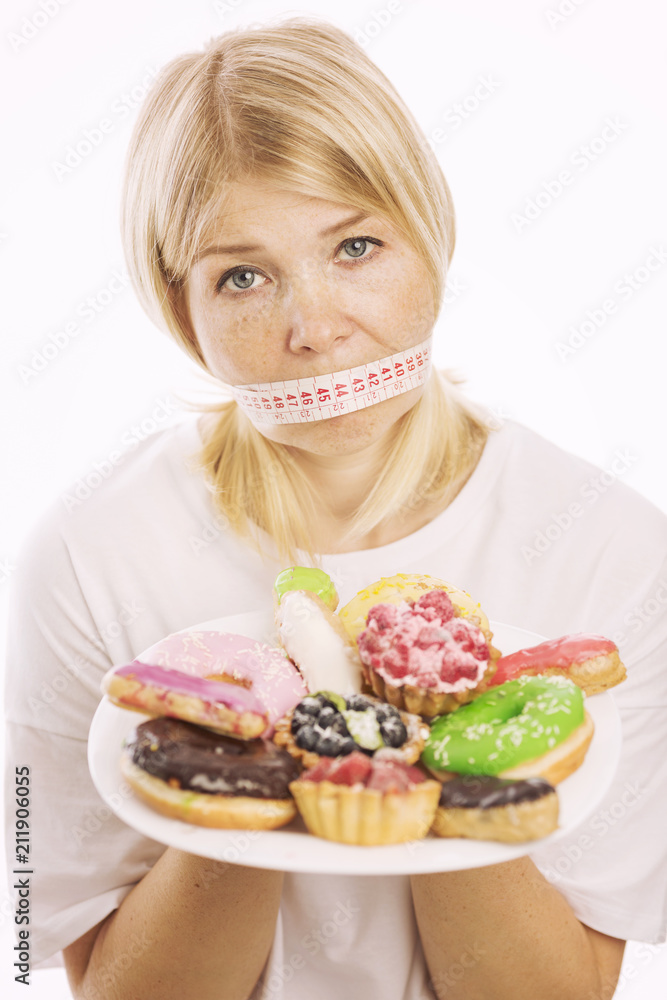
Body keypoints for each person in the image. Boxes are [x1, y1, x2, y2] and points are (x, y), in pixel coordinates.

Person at [4, 16, 667, 1000]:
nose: (314, 329)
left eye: (355, 245)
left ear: (431, 235)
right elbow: (86, 978)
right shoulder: (87, 556)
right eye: (242, 275)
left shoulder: (614, 550)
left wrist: (431, 723)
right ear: (178, 307)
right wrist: (258, 752)